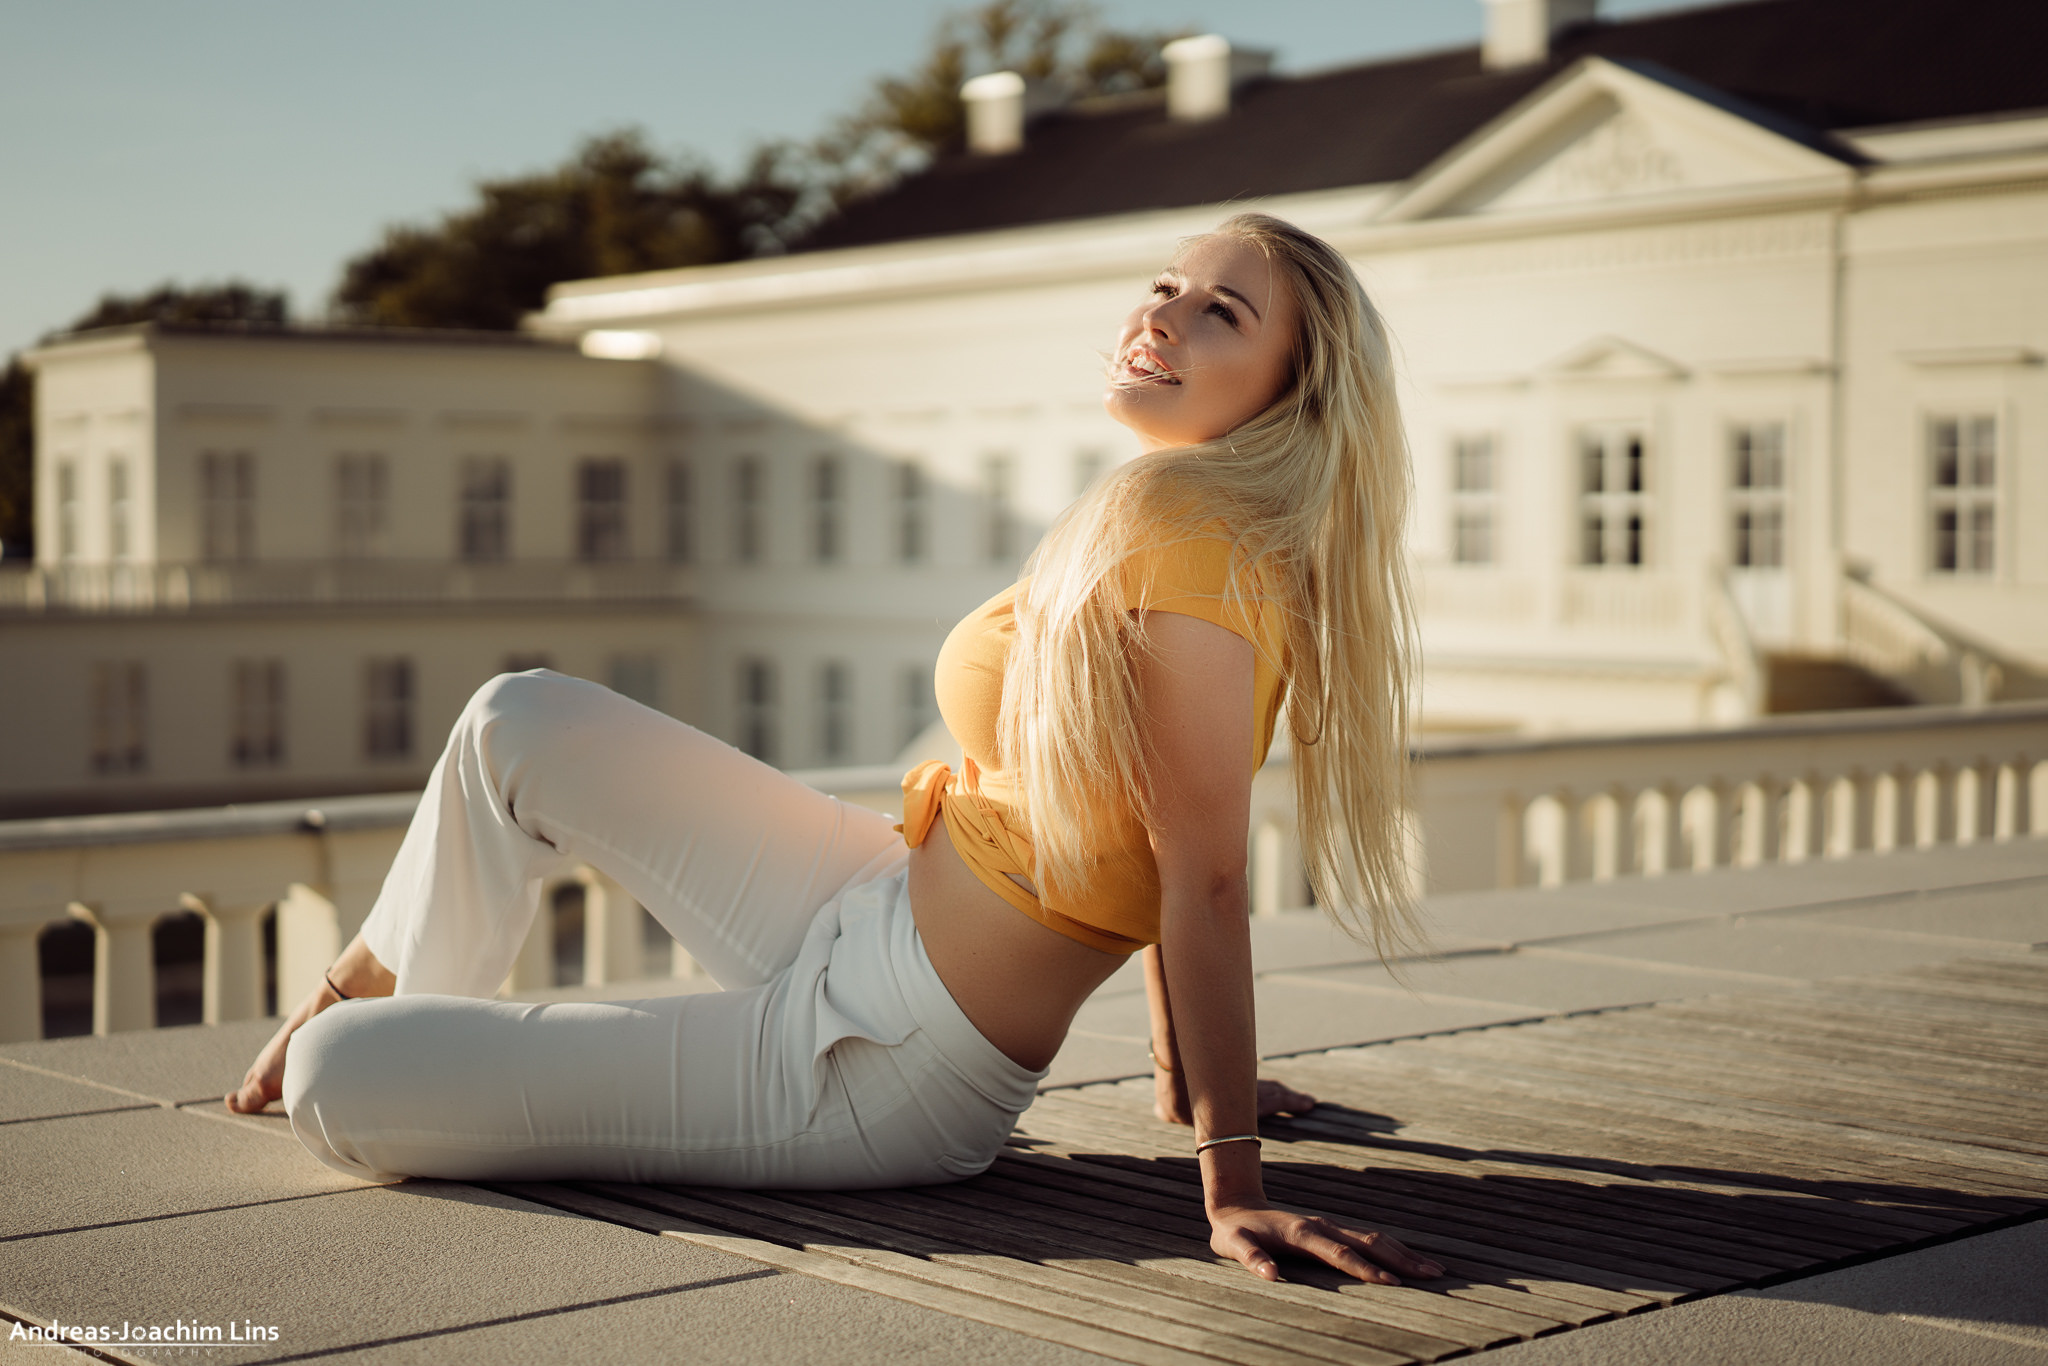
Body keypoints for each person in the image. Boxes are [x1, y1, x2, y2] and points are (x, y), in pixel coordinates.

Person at [227, 212, 1441, 1288]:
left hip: (879, 1063)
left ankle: (389, 1043)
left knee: (338, 1078)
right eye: (1166, 285)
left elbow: (1203, 873)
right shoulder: (1168, 511)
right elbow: (1116, 808)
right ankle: (388, 997)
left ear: (1291, 390)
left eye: (1218, 311)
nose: (1159, 317)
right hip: (865, 898)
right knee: (517, 717)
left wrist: (1229, 1177)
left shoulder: (1193, 544)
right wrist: (1186, 1079)